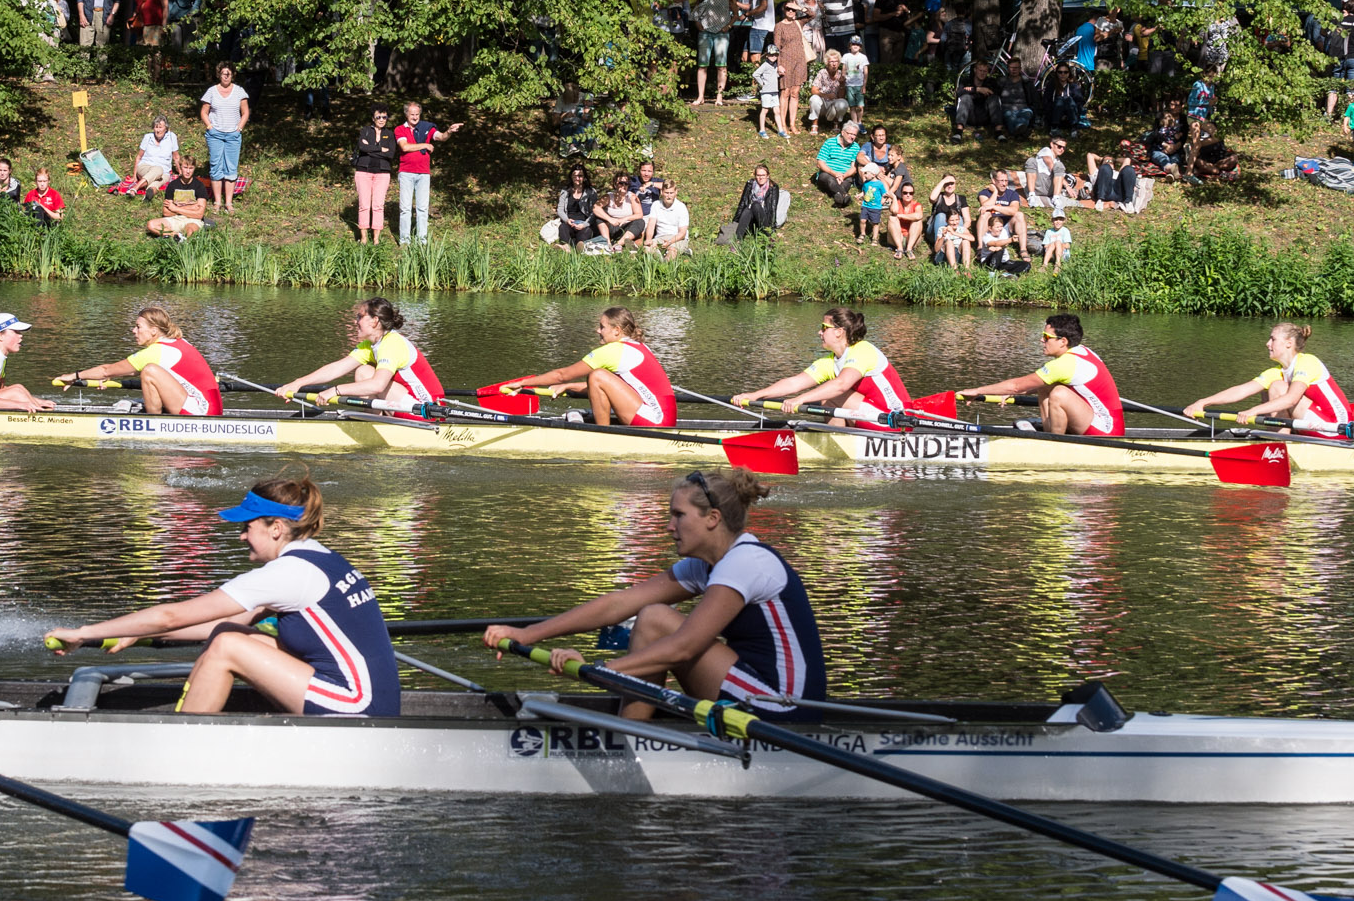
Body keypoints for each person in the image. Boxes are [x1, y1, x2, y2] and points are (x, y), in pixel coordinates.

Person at [45, 475, 400, 718]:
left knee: (228, 647)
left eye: (247, 527)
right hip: (365, 696)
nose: (242, 537)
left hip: (359, 707)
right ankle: (193, 719)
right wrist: (136, 632)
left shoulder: (288, 573)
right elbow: (215, 623)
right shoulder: (318, 556)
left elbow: (172, 615)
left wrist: (84, 632)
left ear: (276, 528)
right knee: (229, 634)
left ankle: (181, 744)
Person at [486, 468, 825, 722]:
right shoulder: (707, 565)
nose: (668, 526)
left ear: (713, 519)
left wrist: (598, 669)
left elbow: (684, 647)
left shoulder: (745, 563)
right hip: (750, 689)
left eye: (678, 515)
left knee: (654, 620)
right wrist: (527, 634)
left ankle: (627, 739)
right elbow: (618, 604)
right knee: (651, 614)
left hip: (785, 707)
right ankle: (629, 736)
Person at [496, 307, 680, 427]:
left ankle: (602, 435)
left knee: (597, 375)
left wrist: (523, 383)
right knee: (598, 378)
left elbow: (562, 375)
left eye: (602, 327)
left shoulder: (613, 351)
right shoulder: (638, 346)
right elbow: (609, 390)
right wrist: (569, 388)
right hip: (662, 417)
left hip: (654, 421)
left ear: (617, 330)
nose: (598, 331)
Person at [955, 311, 1124, 436]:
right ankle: (1053, 435)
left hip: (1107, 430)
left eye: (1046, 337)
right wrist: (1010, 391)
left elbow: (1015, 386)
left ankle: (1055, 444)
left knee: (1058, 393)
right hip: (1096, 420)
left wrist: (977, 391)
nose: (1041, 340)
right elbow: (1023, 386)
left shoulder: (1066, 364)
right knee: (1044, 386)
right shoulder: (1081, 351)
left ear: (1063, 341)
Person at [732, 307, 910, 423]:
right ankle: (839, 440)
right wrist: (755, 395)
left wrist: (800, 399)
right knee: (825, 398)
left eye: (823, 327)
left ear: (839, 332)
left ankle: (842, 441)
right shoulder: (830, 362)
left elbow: (841, 385)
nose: (819, 332)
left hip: (895, 419)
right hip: (869, 417)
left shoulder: (863, 350)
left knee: (830, 393)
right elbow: (794, 383)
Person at [1182, 320, 1354, 439]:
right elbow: (1242, 390)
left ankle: (1281, 444)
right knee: (1270, 390)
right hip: (1315, 424)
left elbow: (1291, 399)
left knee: (1278, 388)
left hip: (1337, 429)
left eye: (1273, 339)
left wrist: (1253, 411)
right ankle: (1278, 443)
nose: (1267, 344)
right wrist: (1203, 402)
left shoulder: (1307, 362)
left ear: (1288, 343)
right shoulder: (1278, 371)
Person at [277, 297, 444, 412]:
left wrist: (335, 391)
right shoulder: (370, 345)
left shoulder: (392, 343)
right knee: (363, 371)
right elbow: (336, 368)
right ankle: (372, 420)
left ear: (374, 321)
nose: (354, 321)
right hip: (405, 403)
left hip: (427, 409)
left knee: (369, 377)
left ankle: (374, 422)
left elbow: (377, 386)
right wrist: (298, 383)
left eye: (359, 317)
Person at [59, 305, 223, 415]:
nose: (133, 330)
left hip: (202, 412)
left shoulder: (156, 352)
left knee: (149, 371)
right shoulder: (178, 342)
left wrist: (75, 376)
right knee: (150, 371)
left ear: (153, 331)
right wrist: (111, 375)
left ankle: (152, 423)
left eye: (138, 327)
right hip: (210, 408)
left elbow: (106, 370)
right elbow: (114, 372)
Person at [394, 101, 464, 247]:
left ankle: (422, 241)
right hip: (406, 172)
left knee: (422, 208)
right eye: (412, 114)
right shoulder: (400, 129)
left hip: (423, 173)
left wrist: (449, 131)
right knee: (405, 208)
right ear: (406, 114)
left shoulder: (427, 127)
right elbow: (405, 147)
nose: (415, 117)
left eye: (417, 114)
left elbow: (440, 137)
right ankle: (405, 241)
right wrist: (425, 145)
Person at [199, 63, 249, 212]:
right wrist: (210, 127)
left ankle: (229, 203)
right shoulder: (211, 91)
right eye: (223, 73)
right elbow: (204, 112)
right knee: (216, 167)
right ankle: (217, 203)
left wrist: (239, 128)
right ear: (219, 74)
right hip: (215, 135)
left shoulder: (240, 92)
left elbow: (245, 112)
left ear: (233, 74)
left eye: (229, 73)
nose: (226, 76)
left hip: (233, 135)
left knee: (231, 168)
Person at [351, 105, 397, 244]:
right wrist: (380, 149)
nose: (382, 119)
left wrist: (371, 148)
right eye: (378, 117)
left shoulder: (390, 134)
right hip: (363, 171)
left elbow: (390, 153)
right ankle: (364, 237)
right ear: (373, 118)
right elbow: (362, 147)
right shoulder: (365, 131)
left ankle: (376, 239)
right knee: (364, 205)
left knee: (378, 205)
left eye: (384, 117)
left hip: (382, 173)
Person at [773, 0, 812, 135]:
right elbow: (776, 48)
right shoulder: (779, 26)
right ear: (784, 10)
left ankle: (792, 124)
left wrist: (800, 7)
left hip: (800, 60)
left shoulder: (798, 23)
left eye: (792, 10)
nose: (790, 12)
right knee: (785, 92)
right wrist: (778, 65)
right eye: (788, 9)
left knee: (795, 92)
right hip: (785, 61)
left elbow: (812, 14)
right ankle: (782, 124)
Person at [690, 0, 734, 106]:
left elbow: (736, 13)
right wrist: (697, 23)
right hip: (705, 32)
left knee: (721, 65)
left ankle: (719, 97)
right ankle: (700, 96)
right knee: (702, 65)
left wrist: (729, 26)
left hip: (721, 33)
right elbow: (697, 7)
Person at [148, 153, 210, 238]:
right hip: (175, 219)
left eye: (191, 168)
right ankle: (176, 236)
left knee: (190, 230)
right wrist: (192, 207)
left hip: (192, 220)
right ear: (180, 168)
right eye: (185, 167)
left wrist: (175, 208)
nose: (188, 171)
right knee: (151, 224)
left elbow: (199, 214)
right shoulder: (172, 185)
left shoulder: (199, 186)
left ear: (194, 169)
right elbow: (166, 212)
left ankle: (183, 241)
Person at [811, 119, 862, 206]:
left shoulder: (856, 147)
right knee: (829, 179)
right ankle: (844, 195)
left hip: (845, 175)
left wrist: (843, 176)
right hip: (828, 173)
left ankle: (838, 196)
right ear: (843, 132)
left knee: (847, 182)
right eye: (850, 134)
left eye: (854, 135)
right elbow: (820, 162)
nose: (852, 137)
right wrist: (834, 173)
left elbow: (853, 168)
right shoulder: (829, 142)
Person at [732, 163, 784, 241]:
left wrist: (772, 229)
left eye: (763, 175)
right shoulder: (750, 184)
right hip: (750, 219)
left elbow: (773, 209)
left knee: (755, 205)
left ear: (768, 176)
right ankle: (738, 241)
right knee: (747, 209)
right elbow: (742, 203)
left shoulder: (773, 187)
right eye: (758, 175)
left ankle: (768, 237)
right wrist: (735, 222)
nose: (760, 178)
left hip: (764, 219)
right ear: (755, 176)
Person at [553, 165, 600, 250]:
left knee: (586, 232)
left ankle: (579, 246)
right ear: (571, 177)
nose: (577, 178)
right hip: (569, 223)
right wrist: (567, 220)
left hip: (584, 224)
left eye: (580, 176)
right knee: (562, 228)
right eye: (575, 175)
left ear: (584, 177)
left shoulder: (591, 192)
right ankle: (566, 247)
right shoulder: (565, 191)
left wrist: (584, 224)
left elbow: (594, 212)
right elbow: (560, 209)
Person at [644, 177, 692, 258]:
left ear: (676, 192)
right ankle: (659, 260)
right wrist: (648, 239)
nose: (669, 196)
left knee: (672, 250)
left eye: (671, 193)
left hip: (676, 238)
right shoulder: (656, 205)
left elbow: (682, 233)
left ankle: (666, 266)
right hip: (660, 237)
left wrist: (670, 242)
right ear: (662, 192)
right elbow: (651, 225)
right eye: (666, 193)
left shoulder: (681, 207)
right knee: (647, 248)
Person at [135, 115, 180, 191]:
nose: (158, 130)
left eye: (160, 127)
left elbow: (176, 157)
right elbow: (139, 157)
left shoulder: (172, 137)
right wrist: (134, 176)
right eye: (156, 127)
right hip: (145, 167)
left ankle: (150, 194)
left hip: (164, 171)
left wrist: (180, 171)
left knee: (157, 183)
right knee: (158, 170)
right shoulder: (148, 137)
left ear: (166, 128)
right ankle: (134, 188)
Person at [888, 179, 927, 259]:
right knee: (892, 218)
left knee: (918, 221)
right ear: (901, 194)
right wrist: (894, 198)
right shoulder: (897, 203)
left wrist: (901, 216)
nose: (908, 195)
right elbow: (894, 211)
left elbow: (918, 216)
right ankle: (899, 249)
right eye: (905, 193)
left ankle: (909, 249)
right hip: (897, 238)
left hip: (911, 238)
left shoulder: (917, 205)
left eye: (911, 193)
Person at [753, 48, 782, 138]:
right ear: (767, 55)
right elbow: (755, 74)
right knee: (765, 110)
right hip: (766, 92)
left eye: (776, 55)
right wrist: (762, 83)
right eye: (771, 55)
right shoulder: (765, 65)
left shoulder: (775, 65)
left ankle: (781, 130)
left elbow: (772, 76)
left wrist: (778, 75)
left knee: (777, 111)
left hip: (774, 91)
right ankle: (762, 130)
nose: (774, 57)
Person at [842, 38, 870, 118]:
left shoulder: (863, 57)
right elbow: (844, 69)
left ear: (860, 47)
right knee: (852, 106)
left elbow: (866, 73)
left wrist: (864, 86)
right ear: (849, 46)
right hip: (849, 85)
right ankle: (854, 122)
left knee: (860, 106)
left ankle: (859, 122)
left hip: (859, 85)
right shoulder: (846, 56)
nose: (855, 46)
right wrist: (843, 81)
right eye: (853, 44)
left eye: (858, 44)